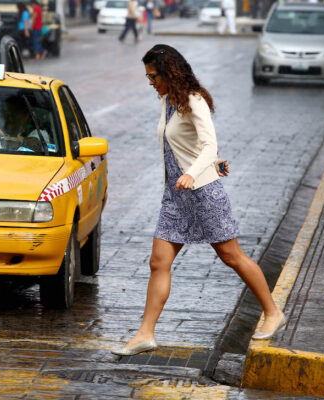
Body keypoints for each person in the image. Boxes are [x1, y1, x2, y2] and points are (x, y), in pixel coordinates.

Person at [111, 45, 286, 356]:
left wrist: (196, 172)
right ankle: (145, 334)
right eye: (148, 77)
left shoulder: (194, 100)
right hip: (175, 196)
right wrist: (211, 164)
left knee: (231, 256)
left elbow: (209, 143)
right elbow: (187, 145)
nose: (151, 83)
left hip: (203, 193)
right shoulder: (167, 101)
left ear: (169, 73)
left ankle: (273, 313)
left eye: (154, 77)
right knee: (158, 263)